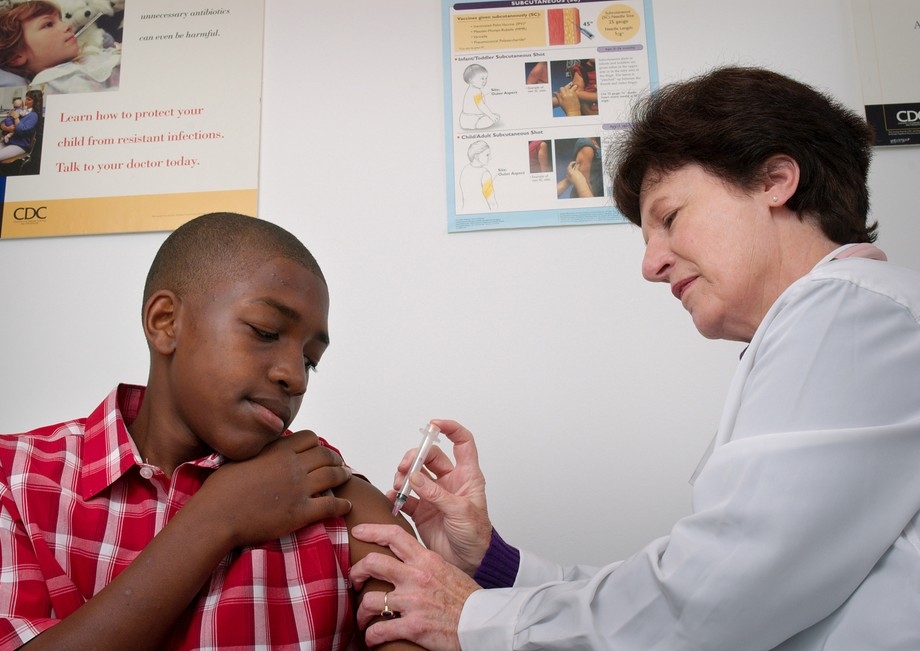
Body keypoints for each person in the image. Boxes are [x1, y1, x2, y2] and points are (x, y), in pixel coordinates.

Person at [347, 66, 920, 650]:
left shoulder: (850, 312)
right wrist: (491, 562)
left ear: (775, 180)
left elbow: (713, 597)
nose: (651, 265)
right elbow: (681, 585)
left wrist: (473, 620)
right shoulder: (831, 326)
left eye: (669, 219)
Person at [0, 213, 423, 650]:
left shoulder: (322, 487)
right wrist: (215, 519)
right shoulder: (13, 479)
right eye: (266, 331)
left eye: (310, 362)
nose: (294, 377)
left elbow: (418, 623)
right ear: (165, 322)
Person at [0, 0, 120, 93]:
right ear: (15, 56)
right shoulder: (56, 81)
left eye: (60, 20)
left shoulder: (78, 63)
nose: (68, 25)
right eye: (48, 24)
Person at [0, 89, 43, 167]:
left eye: (29, 99)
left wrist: (16, 118)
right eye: (26, 98)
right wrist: (5, 127)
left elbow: (20, 130)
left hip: (19, 145)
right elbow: (4, 121)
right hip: (8, 142)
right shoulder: (22, 110)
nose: (25, 101)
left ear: (36, 102)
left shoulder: (33, 115)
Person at [459, 64, 500, 130]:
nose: (484, 81)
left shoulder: (470, 90)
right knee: (494, 117)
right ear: (471, 80)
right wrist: (491, 115)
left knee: (491, 116)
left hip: (464, 119)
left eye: (486, 78)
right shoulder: (476, 92)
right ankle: (478, 124)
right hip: (474, 119)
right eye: (482, 78)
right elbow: (480, 105)